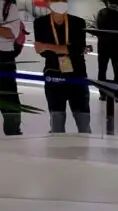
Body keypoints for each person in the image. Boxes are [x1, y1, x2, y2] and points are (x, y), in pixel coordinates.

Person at [34, 0, 91, 134]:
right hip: (53, 75)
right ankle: (57, 147)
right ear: (48, 3)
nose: (60, 3)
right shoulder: (40, 23)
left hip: (77, 75)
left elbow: (78, 49)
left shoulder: (78, 22)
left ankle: (85, 146)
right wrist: (66, 49)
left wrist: (47, 46)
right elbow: (41, 51)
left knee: (83, 122)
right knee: (57, 122)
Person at [94, 0, 118, 100]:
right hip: (116, 46)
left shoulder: (101, 12)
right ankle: (117, 94)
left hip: (103, 46)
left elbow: (97, 28)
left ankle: (102, 94)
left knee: (102, 70)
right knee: (117, 71)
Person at [0, 0, 23, 135]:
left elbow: (10, 33)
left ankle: (13, 131)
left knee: (8, 98)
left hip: (3, 57)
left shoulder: (9, 6)